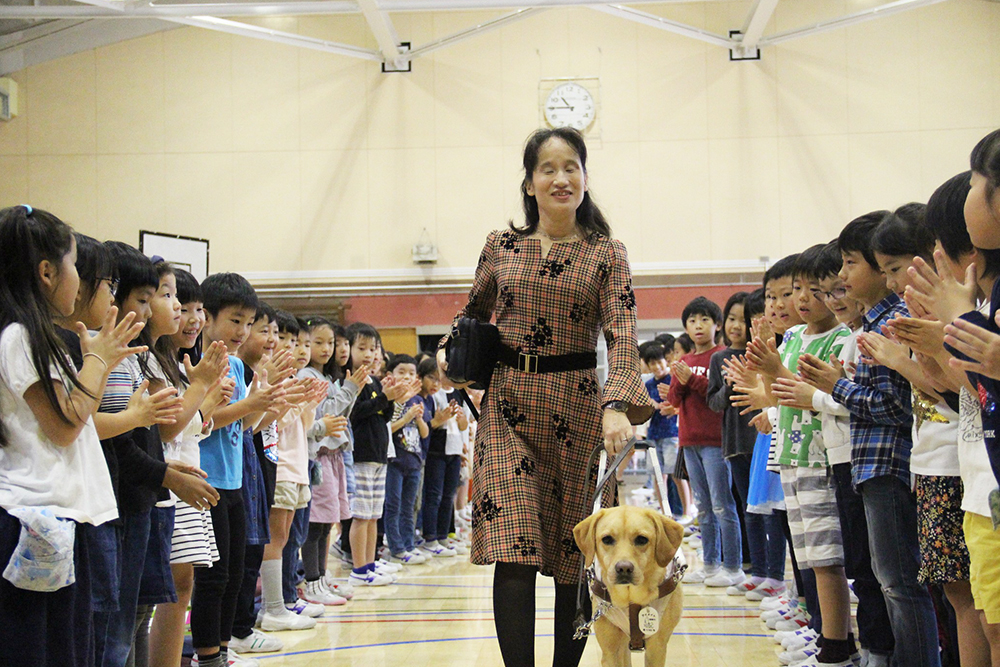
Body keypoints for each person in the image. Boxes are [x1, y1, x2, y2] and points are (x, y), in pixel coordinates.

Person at [438, 127, 652, 667]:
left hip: (578, 407)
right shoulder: (501, 246)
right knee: (513, 549)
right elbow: (471, 314)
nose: (561, 178)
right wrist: (450, 352)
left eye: (571, 167)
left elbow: (622, 332)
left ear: (584, 177)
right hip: (507, 406)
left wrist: (616, 405)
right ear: (529, 183)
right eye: (548, 169)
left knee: (570, 554)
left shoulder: (608, 252)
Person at [798, 212, 941, 667]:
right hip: (873, 463)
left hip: (891, 463)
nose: (842, 277)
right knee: (887, 578)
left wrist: (833, 387)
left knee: (900, 582)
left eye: (850, 264)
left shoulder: (892, 322)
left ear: (882, 269)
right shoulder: (876, 322)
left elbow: (896, 407)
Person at [0, 206, 127, 666]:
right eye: (75, 265)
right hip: (30, 521)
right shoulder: (19, 337)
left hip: (52, 520)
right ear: (47, 272)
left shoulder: (37, 337)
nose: (79, 277)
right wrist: (99, 361)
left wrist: (95, 361)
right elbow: (65, 424)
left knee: (68, 649)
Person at [667, 296, 743, 588]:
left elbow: (719, 399)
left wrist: (693, 381)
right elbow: (674, 400)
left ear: (717, 325)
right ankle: (710, 565)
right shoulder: (684, 361)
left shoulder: (723, 356)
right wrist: (681, 379)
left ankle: (733, 566)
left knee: (723, 505)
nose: (698, 326)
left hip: (716, 441)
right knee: (703, 507)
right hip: (689, 440)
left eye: (704, 320)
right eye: (692, 321)